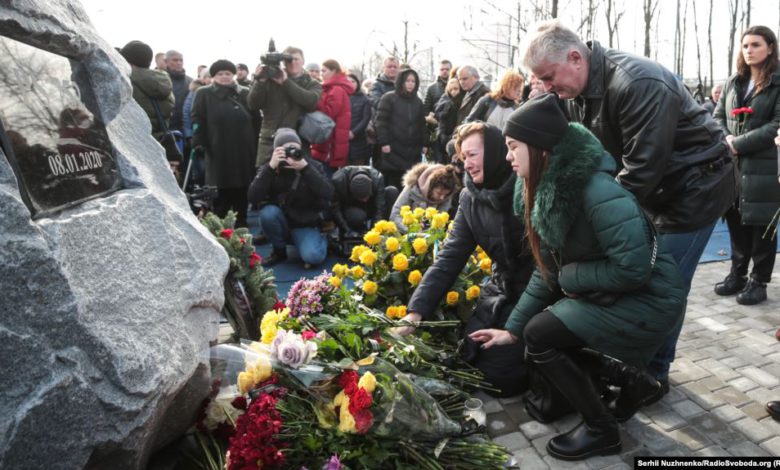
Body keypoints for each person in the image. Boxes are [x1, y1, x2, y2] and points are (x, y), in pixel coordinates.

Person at [523, 20, 737, 392]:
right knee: (642, 275)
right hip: (657, 188)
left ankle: (652, 375)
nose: (545, 88)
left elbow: (641, 169)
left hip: (695, 189)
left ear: (575, 57)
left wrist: (593, 223)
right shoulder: (575, 92)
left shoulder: (638, 82)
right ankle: (634, 363)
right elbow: (588, 156)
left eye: (547, 77)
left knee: (664, 285)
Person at [470, 94, 685, 460]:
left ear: (539, 149)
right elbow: (547, 270)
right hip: (624, 293)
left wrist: (571, 276)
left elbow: (632, 266)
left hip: (652, 298)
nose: (508, 157)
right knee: (538, 332)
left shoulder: (594, 190)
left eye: (513, 147)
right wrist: (512, 329)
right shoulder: (545, 190)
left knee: (542, 335)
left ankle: (602, 430)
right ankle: (632, 380)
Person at [397, 122, 535, 396]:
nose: (467, 164)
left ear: (496, 152)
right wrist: (415, 313)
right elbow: (448, 259)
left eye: (473, 154)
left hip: (538, 294)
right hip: (501, 290)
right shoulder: (469, 199)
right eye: (462, 158)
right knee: (468, 358)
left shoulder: (529, 186)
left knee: (501, 382)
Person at [712, 26, 780, 305]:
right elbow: (716, 117)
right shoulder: (733, 82)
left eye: (756, 45)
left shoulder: (777, 83)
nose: (749, 50)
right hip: (733, 169)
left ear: (771, 48)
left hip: (765, 166)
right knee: (736, 222)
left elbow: (777, 124)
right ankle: (736, 275)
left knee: (762, 227)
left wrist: (738, 143)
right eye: (745, 46)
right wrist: (725, 136)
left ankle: (758, 282)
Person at [248, 128, 334, 268]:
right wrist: (270, 168)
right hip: (280, 221)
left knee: (313, 256)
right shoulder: (270, 168)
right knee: (268, 213)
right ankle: (279, 250)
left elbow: (329, 193)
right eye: (286, 150)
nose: (291, 154)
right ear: (277, 151)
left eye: (295, 149)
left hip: (304, 223)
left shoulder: (312, 165)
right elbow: (253, 197)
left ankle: (324, 240)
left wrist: (306, 169)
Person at [191, 60, 256, 227]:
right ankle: (222, 233)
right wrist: (198, 142)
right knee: (220, 197)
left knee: (242, 194)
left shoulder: (245, 92)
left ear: (233, 75)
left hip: (243, 151)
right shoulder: (203, 93)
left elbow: (256, 119)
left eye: (228, 73)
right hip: (217, 150)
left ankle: (242, 230)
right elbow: (197, 118)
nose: (224, 77)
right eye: (220, 74)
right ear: (213, 76)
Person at [247, 46, 322, 167]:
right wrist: (259, 82)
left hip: (298, 141)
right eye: (288, 59)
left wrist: (286, 82)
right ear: (282, 61)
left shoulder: (312, 83)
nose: (292, 62)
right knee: (266, 180)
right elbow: (253, 104)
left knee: (298, 182)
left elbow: (310, 101)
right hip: (270, 142)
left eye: (296, 59)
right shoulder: (270, 80)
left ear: (303, 61)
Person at [374, 68, 427, 189]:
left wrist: (425, 143)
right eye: (407, 80)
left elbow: (422, 124)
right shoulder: (389, 98)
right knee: (392, 185)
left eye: (413, 81)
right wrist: (384, 142)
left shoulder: (418, 102)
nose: (410, 84)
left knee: (409, 185)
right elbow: (381, 121)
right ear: (401, 81)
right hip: (393, 149)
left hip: (412, 150)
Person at [119, 40, 174, 139]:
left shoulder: (128, 85)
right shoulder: (163, 81)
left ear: (128, 62)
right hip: (160, 142)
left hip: (136, 143)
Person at [389, 163, 461, 232]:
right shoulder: (412, 187)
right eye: (439, 193)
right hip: (405, 231)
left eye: (445, 195)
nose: (442, 198)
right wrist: (411, 230)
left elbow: (439, 223)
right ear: (430, 187)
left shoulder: (447, 196)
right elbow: (395, 214)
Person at [311, 60, 353, 174]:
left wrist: (315, 100)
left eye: (324, 71)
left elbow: (328, 114)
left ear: (333, 71)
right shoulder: (332, 88)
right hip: (329, 143)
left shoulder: (336, 89)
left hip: (329, 146)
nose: (321, 74)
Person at [331, 165, 388, 239]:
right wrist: (347, 230)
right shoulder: (339, 180)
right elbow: (336, 209)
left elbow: (380, 208)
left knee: (391, 192)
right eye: (361, 198)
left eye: (367, 196)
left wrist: (375, 231)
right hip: (351, 210)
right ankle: (357, 228)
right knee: (357, 216)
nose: (365, 200)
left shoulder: (377, 178)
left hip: (370, 207)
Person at [432, 78, 463, 164]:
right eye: (451, 90)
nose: (453, 92)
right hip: (444, 136)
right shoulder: (446, 101)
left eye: (456, 89)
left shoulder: (461, 101)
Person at [164, 50, 193, 134]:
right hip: (165, 128)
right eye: (175, 60)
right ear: (166, 62)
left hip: (184, 128)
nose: (179, 63)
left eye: (181, 60)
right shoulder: (159, 80)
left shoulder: (190, 82)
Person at [346, 73, 372, 165]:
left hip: (359, 139)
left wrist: (353, 132)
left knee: (358, 169)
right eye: (348, 81)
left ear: (357, 83)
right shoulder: (340, 97)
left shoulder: (364, 99)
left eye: (353, 81)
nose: (350, 83)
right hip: (342, 140)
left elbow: (365, 119)